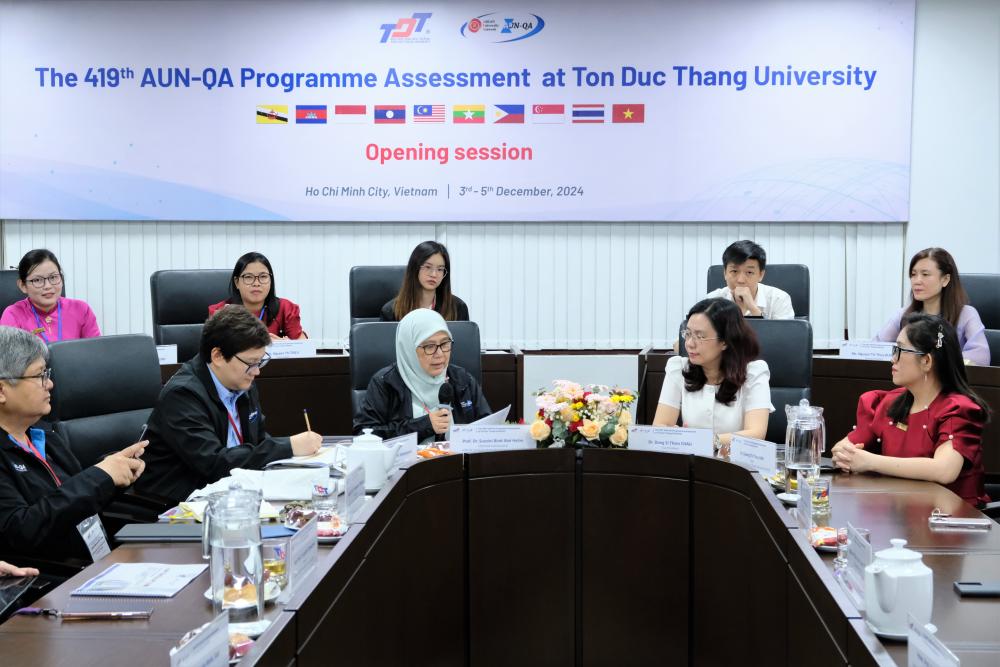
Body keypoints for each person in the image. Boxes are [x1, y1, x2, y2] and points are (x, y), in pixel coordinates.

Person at [136, 306, 321, 504]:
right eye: (251, 363)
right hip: (175, 504)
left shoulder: (242, 382)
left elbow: (257, 442)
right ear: (217, 356)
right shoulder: (183, 395)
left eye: (260, 362)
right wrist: (288, 447)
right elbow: (215, 463)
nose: (256, 371)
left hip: (230, 494)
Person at [0, 326, 146, 566]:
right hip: (53, 581)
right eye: (39, 376)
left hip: (95, 561)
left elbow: (75, 500)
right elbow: (22, 530)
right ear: (1, 390)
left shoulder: (44, 435)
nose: (50, 385)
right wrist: (99, 477)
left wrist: (114, 473)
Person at [833, 313, 991, 507]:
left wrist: (870, 462)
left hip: (951, 522)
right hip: (901, 514)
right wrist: (844, 457)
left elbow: (944, 470)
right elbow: (843, 449)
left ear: (926, 361)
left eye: (899, 350)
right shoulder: (890, 402)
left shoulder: (958, 409)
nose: (892, 359)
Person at [654, 298, 773, 453]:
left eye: (700, 336)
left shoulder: (754, 373)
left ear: (725, 342)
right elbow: (659, 427)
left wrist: (701, 440)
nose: (690, 343)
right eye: (688, 334)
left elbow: (756, 434)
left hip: (737, 466)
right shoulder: (678, 368)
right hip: (692, 465)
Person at [356, 309, 490, 442]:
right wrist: (424, 425)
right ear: (409, 349)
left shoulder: (463, 380)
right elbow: (364, 434)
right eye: (429, 346)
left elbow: (487, 427)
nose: (440, 354)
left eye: (445, 343)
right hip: (405, 463)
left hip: (457, 461)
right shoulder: (385, 383)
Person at [875, 248, 989, 366]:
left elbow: (981, 356)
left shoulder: (966, 314)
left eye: (925, 274)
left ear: (945, 279)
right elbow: (876, 349)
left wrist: (931, 361)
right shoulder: (903, 315)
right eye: (913, 274)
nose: (917, 281)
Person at [1, 249, 100, 342]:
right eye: (37, 280)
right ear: (23, 286)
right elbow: (9, 357)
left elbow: (95, 351)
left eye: (53, 277)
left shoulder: (81, 309)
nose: (48, 286)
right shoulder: (13, 314)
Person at [209, 251, 306, 339]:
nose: (256, 283)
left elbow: (303, 347)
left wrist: (285, 346)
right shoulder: (221, 311)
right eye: (248, 277)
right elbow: (214, 351)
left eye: (263, 276)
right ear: (237, 282)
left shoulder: (286, 308)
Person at [380, 241, 470, 322]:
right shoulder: (391, 311)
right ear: (414, 268)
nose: (434, 274)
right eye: (427, 267)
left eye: (440, 269)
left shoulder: (458, 308)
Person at [705, 240, 794, 319]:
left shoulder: (779, 299)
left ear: (761, 275)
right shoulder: (711, 301)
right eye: (734, 271)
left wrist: (752, 307)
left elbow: (782, 336)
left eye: (749, 272)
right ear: (725, 273)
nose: (740, 280)